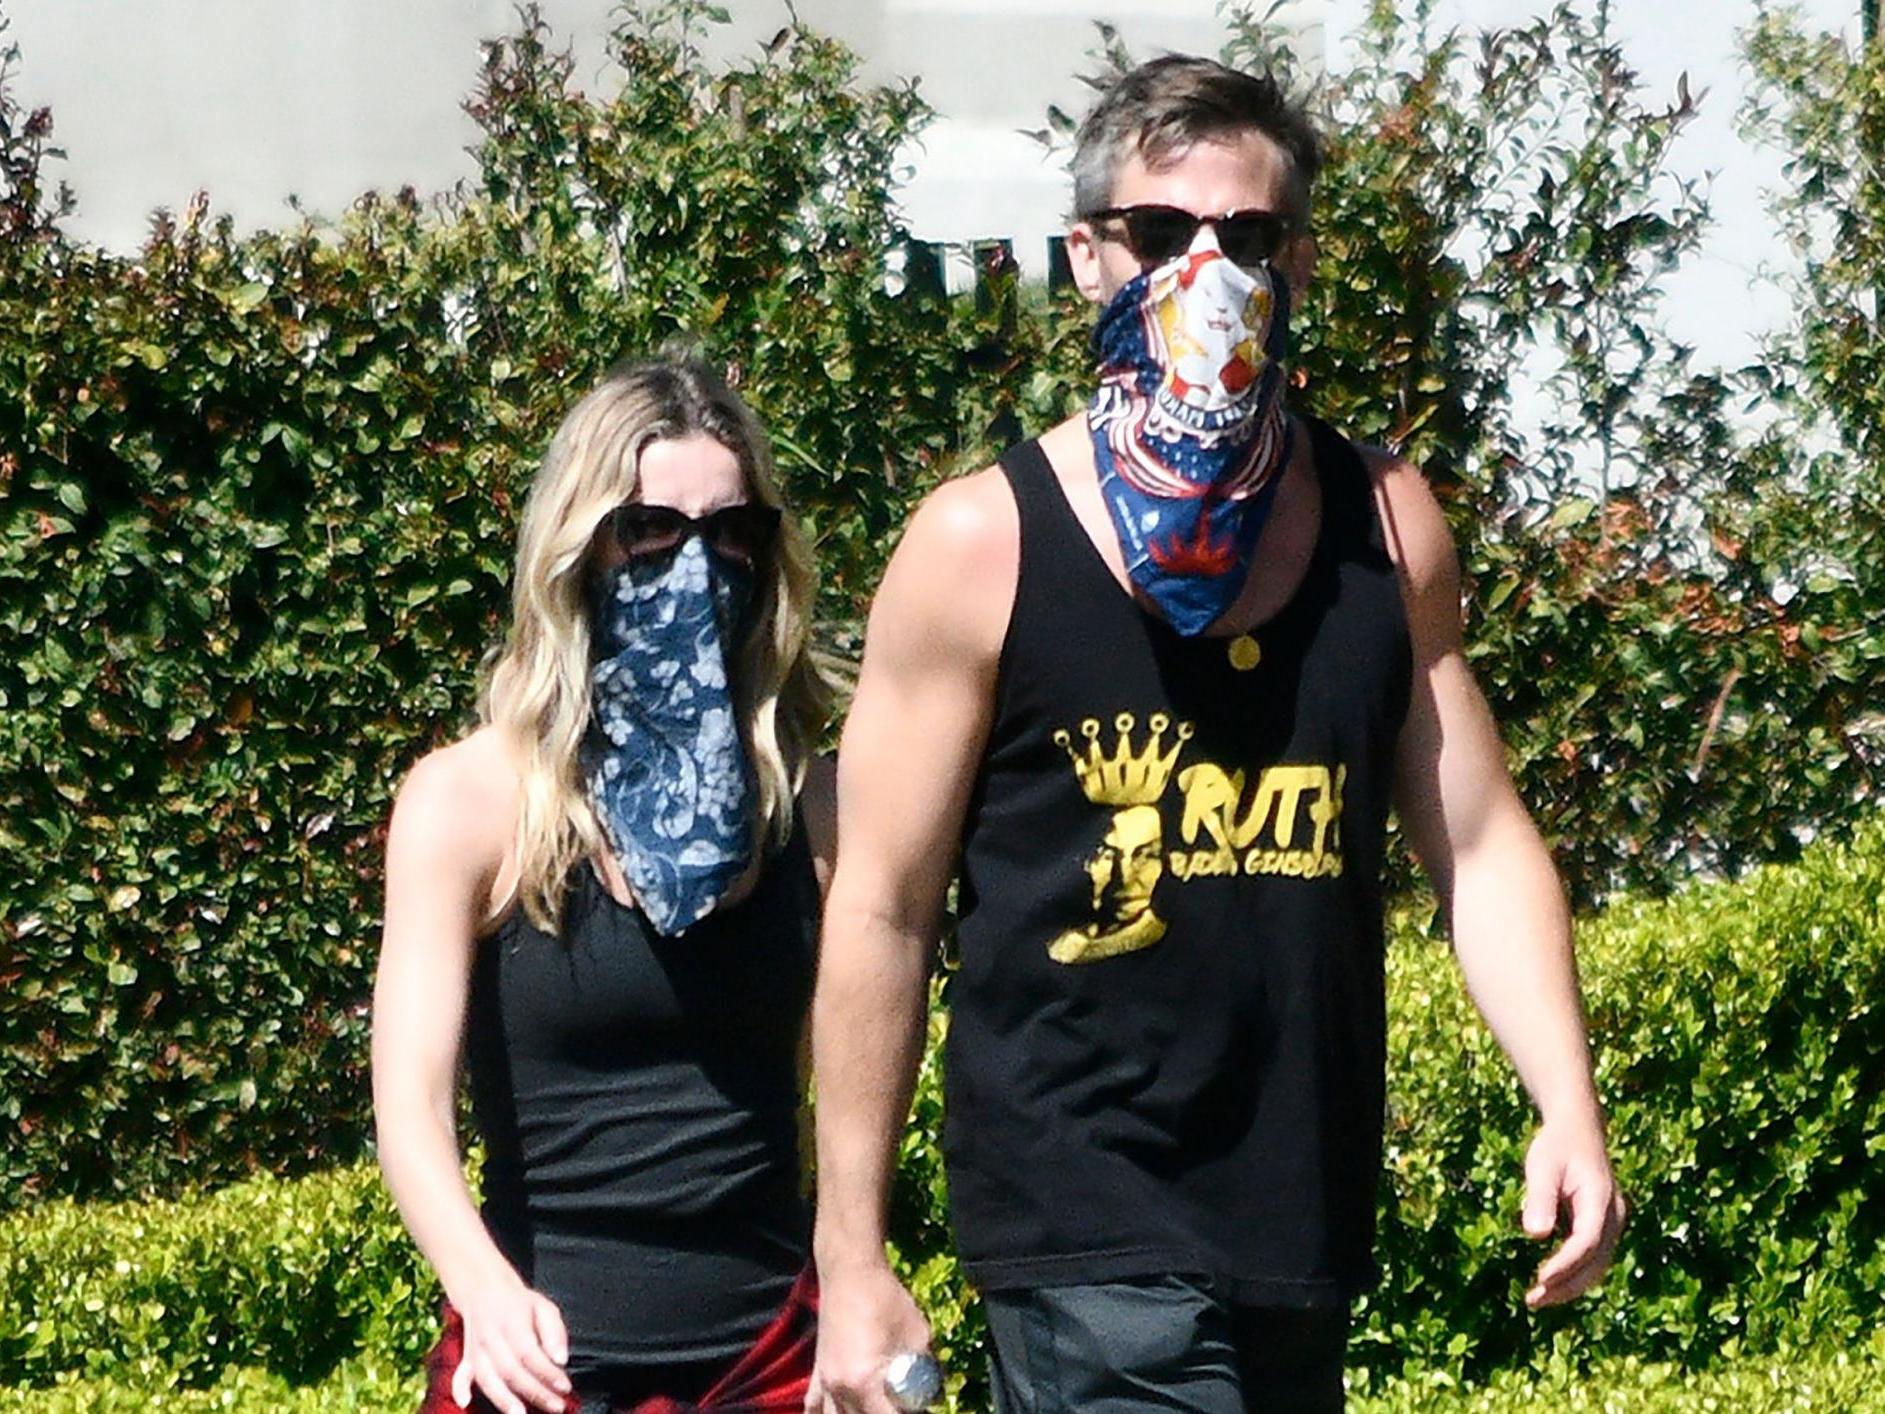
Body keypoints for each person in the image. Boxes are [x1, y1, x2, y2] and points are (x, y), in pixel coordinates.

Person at [805, 55, 1626, 1413]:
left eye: (1245, 237)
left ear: (1297, 262)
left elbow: (1476, 842)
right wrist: (851, 1250)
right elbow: (883, 908)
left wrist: (1568, 1102)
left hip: (1296, 1216)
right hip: (1081, 1219)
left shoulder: (1382, 524)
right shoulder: (982, 543)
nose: (1206, 266)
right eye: (1158, 233)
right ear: (1086, 258)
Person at [371, 352, 834, 1414]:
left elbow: (840, 1083)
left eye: (731, 533)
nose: (694, 566)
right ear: (579, 549)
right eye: (650, 530)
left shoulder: (813, 806)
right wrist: (480, 1289)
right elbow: (409, 1107)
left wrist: (852, 1282)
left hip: (771, 1362)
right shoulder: (467, 803)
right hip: (538, 1360)